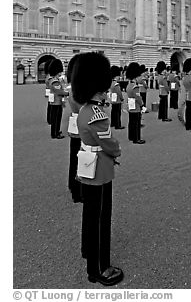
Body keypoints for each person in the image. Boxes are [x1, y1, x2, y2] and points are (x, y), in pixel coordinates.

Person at [71, 51, 124, 286]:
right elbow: (110, 143)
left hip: (87, 166)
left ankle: (87, 251)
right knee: (101, 218)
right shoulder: (96, 115)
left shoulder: (84, 110)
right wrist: (117, 152)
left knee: (90, 214)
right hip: (100, 170)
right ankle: (99, 268)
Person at [66, 54, 83, 203]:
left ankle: (73, 185)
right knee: (80, 158)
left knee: (74, 157)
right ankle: (78, 191)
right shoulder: (77, 92)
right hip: (82, 127)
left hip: (74, 125)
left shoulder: (72, 88)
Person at [48, 58, 69, 139]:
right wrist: (68, 93)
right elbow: (59, 91)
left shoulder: (55, 80)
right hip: (57, 102)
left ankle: (56, 131)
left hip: (55, 102)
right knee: (56, 119)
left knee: (55, 118)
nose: (60, 73)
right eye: (59, 72)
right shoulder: (55, 81)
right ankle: (55, 133)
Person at [126, 62, 146, 144]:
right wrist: (142, 105)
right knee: (136, 123)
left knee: (131, 122)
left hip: (131, 105)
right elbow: (138, 97)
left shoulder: (129, 85)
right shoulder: (135, 86)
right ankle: (136, 138)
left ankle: (131, 136)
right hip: (136, 106)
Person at [109, 66, 125, 130]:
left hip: (113, 98)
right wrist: (122, 98)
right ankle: (117, 125)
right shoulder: (116, 84)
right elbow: (119, 92)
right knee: (118, 113)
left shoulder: (111, 82)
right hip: (117, 99)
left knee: (113, 111)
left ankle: (113, 123)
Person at [44, 58, 54, 125]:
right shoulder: (50, 76)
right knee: (53, 107)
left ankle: (49, 119)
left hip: (49, 91)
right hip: (52, 92)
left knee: (50, 106)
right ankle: (51, 119)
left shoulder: (48, 75)